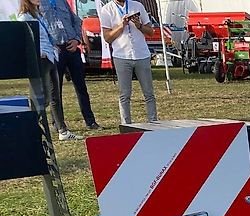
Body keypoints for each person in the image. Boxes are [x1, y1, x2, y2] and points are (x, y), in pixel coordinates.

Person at [18, 0, 81, 140]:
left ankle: (62, 131)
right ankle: (33, 129)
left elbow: (45, 35)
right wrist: (40, 53)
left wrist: (53, 47)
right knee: (41, 98)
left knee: (53, 96)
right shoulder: (25, 17)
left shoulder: (37, 15)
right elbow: (26, 41)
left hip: (51, 57)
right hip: (41, 60)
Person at [38, 0, 101, 130]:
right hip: (55, 50)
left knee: (81, 87)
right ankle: (58, 124)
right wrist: (49, 45)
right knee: (55, 90)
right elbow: (39, 28)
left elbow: (76, 21)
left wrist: (77, 39)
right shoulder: (38, 3)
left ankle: (90, 121)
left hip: (71, 48)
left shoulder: (62, 2)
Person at [100, 0, 158, 124]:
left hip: (141, 54)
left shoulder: (137, 5)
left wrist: (139, 25)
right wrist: (121, 26)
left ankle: (153, 122)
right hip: (121, 55)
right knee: (124, 94)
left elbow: (151, 32)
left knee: (149, 92)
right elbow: (107, 38)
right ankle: (126, 124)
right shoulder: (107, 10)